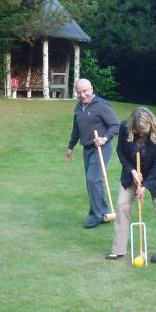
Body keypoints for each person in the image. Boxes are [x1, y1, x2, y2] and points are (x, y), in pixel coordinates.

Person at [107, 106, 156, 265]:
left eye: (144, 133)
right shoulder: (124, 128)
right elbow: (120, 152)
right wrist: (132, 171)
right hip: (132, 174)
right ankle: (118, 250)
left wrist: (144, 187)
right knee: (122, 205)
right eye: (138, 132)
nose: (140, 135)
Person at [65, 78, 120, 228]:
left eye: (85, 91)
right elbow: (76, 129)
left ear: (91, 89)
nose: (82, 95)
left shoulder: (101, 105)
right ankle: (103, 212)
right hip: (87, 149)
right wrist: (71, 147)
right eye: (79, 92)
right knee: (94, 182)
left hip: (102, 148)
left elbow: (115, 125)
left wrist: (104, 138)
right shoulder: (78, 108)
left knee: (93, 180)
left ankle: (95, 216)